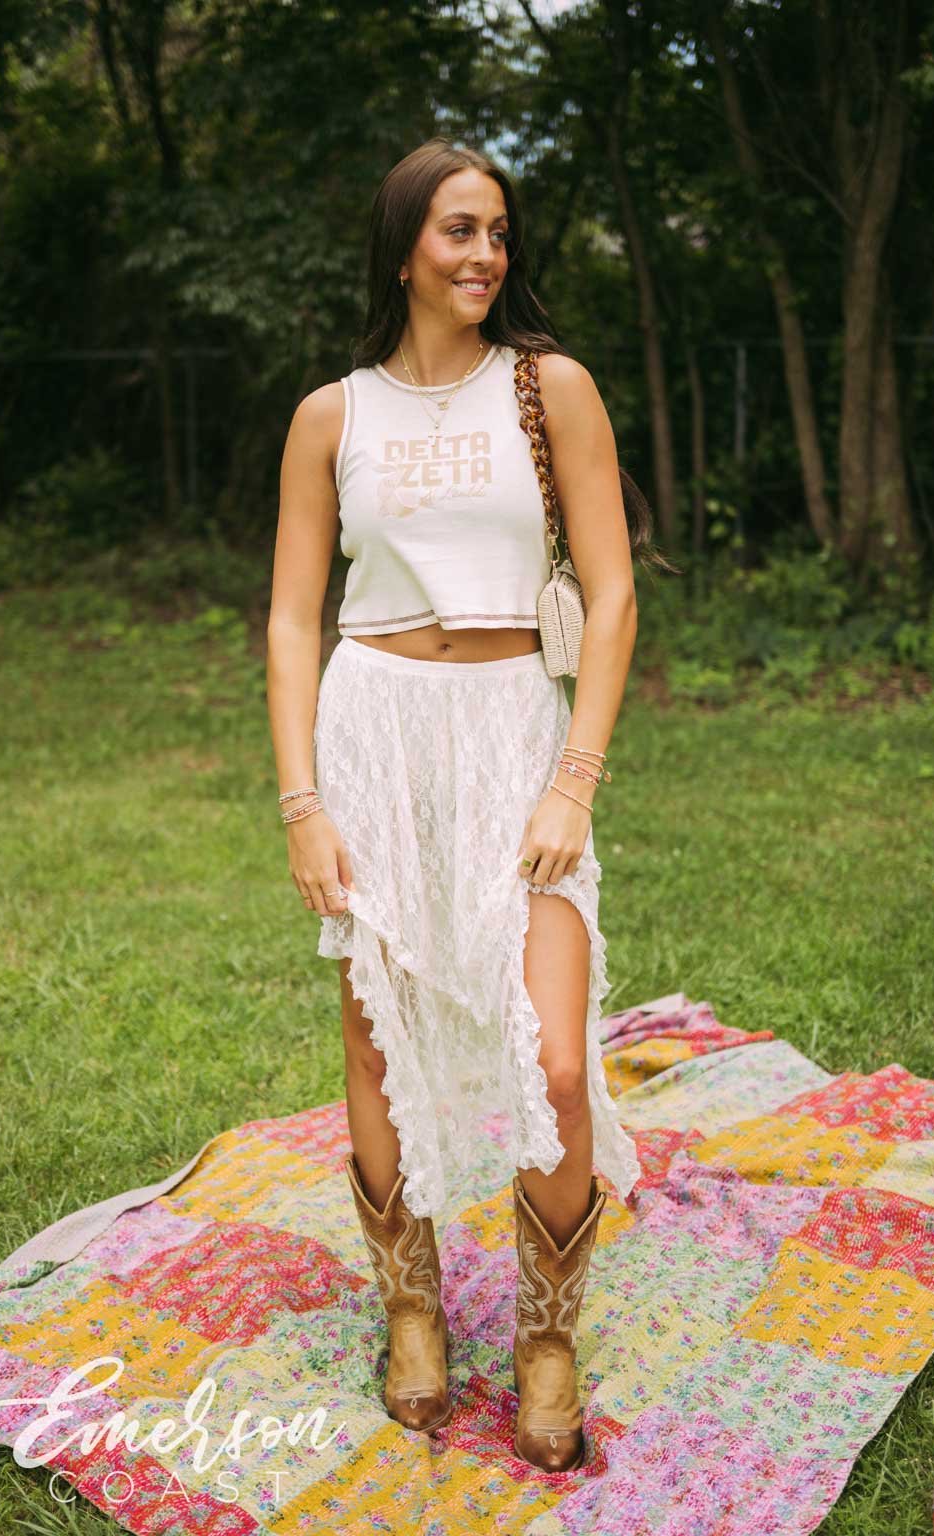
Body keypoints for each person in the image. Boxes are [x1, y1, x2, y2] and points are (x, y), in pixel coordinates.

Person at [266, 136, 675, 1474]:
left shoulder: (550, 388)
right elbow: (292, 619)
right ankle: (414, 1311)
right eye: (458, 230)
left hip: (512, 730)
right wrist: (302, 801)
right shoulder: (332, 416)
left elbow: (613, 596)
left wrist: (575, 780)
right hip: (373, 728)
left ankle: (548, 1337)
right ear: (403, 249)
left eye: (499, 231)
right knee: (379, 1047)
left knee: (553, 1057)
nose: (486, 254)